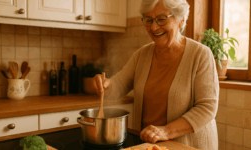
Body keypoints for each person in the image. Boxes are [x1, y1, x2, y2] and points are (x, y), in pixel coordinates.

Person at [89, 0, 219, 149]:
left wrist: (166, 131)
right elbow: (119, 84)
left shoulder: (200, 55)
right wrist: (105, 85)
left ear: (181, 20)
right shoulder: (142, 55)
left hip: (189, 146)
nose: (154, 27)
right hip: (150, 145)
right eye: (148, 20)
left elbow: (207, 107)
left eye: (161, 19)